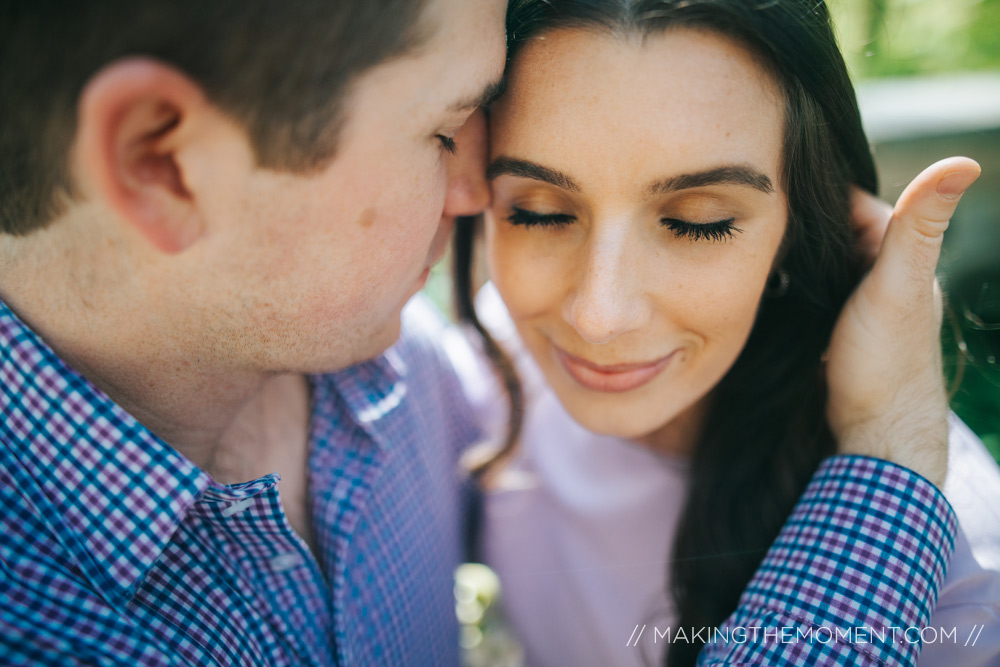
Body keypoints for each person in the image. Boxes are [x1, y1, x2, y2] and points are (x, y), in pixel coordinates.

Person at [0, 2, 972, 667]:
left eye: (698, 219)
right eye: (444, 128)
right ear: (163, 162)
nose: (473, 196)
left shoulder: (408, 383)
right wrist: (886, 454)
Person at [450, 0, 998, 665]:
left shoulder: (957, 568)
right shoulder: (486, 376)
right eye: (538, 212)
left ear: (800, 228)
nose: (598, 315)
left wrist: (883, 435)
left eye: (697, 222)